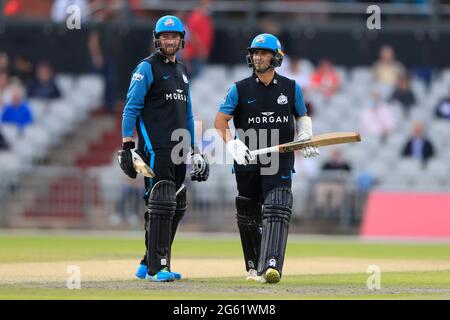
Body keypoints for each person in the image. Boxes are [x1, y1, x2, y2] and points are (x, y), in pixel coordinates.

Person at [214, 33, 319, 284]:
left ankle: (271, 265)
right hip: (247, 158)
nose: (258, 57)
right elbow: (220, 121)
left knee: (277, 208)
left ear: (276, 57)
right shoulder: (238, 89)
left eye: (263, 52)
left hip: (280, 159)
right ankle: (254, 266)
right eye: (255, 53)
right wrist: (232, 143)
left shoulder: (291, 88)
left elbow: (302, 117)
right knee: (248, 215)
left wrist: (305, 134)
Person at [118, 15, 209, 282]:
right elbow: (131, 108)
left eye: (174, 36)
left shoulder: (182, 70)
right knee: (160, 202)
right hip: (155, 148)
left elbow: (188, 114)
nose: (170, 41)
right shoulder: (146, 68)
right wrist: (127, 146)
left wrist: (193, 149)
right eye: (165, 36)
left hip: (180, 148)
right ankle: (159, 267)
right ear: (157, 39)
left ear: (182, 40)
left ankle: (148, 262)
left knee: (177, 204)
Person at [182, 0, 215, 79]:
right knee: (191, 80)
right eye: (208, 4)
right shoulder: (196, 17)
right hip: (193, 55)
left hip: (198, 55)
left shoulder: (205, 17)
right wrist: (201, 49)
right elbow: (192, 35)